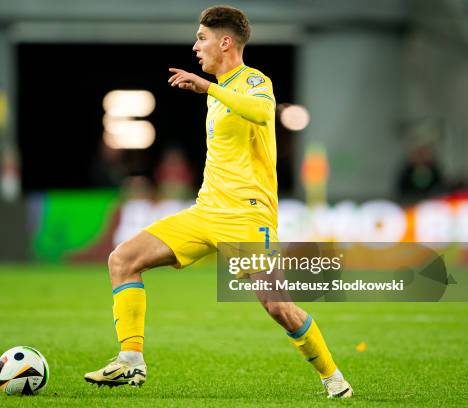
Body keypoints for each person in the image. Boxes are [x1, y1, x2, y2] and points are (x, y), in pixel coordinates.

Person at [85, 6, 352, 398]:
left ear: (225, 42)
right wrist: (211, 90)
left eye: (202, 38)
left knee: (278, 307)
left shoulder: (253, 81)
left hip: (246, 216)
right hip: (205, 211)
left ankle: (334, 380)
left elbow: (263, 113)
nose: (196, 46)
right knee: (122, 259)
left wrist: (208, 87)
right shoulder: (218, 94)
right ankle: (130, 362)